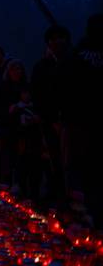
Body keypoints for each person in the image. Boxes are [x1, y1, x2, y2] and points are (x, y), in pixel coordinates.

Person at [62, 14, 103, 227]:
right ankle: (87, 213)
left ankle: (84, 212)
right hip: (82, 120)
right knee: (86, 167)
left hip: (80, 120)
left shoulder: (75, 53)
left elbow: (67, 85)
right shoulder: (77, 54)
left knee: (82, 167)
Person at [31, 25, 71, 206]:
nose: (57, 42)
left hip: (73, 120)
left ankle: (72, 196)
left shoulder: (73, 62)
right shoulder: (41, 67)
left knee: (71, 160)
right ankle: (58, 195)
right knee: (53, 158)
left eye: (61, 38)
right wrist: (49, 117)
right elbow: (38, 94)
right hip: (49, 120)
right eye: (53, 39)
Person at [0, 59, 29, 187]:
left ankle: (23, 186)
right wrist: (10, 109)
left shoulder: (26, 86)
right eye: (14, 69)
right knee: (8, 157)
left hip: (25, 128)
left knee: (23, 158)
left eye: (19, 68)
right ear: (8, 71)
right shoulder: (4, 88)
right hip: (8, 128)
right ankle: (8, 184)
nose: (17, 71)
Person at [11, 87, 43, 200]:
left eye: (28, 93)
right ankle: (23, 196)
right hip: (22, 144)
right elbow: (17, 125)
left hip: (34, 144)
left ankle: (34, 197)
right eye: (24, 93)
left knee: (35, 173)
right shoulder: (16, 109)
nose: (26, 95)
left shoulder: (35, 107)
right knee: (22, 172)